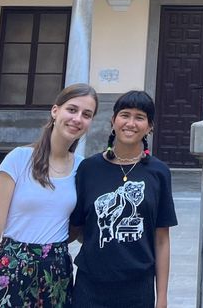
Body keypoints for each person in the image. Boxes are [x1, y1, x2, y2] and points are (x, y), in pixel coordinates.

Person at [0, 83, 98, 308]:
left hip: (56, 272)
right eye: (72, 109)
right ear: (55, 111)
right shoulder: (19, 159)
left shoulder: (83, 168)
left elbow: (77, 227)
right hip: (12, 266)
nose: (78, 118)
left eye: (86, 114)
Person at [70, 90, 177, 308]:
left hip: (138, 288)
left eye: (140, 117)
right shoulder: (88, 169)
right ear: (113, 120)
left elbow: (162, 239)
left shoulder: (159, 172)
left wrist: (162, 298)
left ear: (149, 126)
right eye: (125, 115)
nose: (131, 123)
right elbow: (75, 227)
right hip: (90, 286)